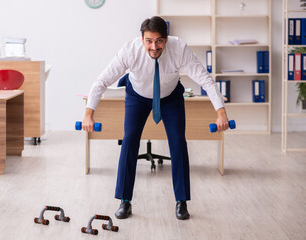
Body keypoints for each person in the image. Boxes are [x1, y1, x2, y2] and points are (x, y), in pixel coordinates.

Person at [82, 16, 229, 220]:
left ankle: (182, 201)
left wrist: (221, 112)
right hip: (137, 95)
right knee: (129, 140)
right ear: (142, 39)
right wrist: (89, 113)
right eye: (149, 41)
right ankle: (124, 201)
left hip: (170, 97)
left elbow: (204, 78)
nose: (154, 46)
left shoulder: (179, 48)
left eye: (159, 40)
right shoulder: (129, 50)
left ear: (166, 39)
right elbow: (102, 80)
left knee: (178, 142)